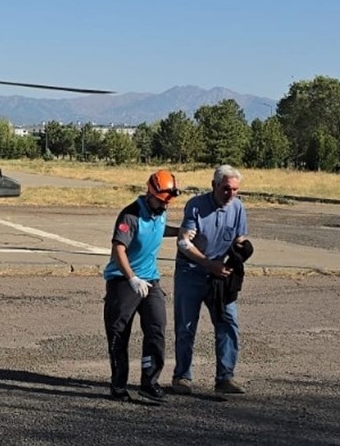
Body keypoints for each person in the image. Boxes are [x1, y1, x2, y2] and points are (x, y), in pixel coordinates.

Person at [172, 165, 251, 396]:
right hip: (191, 272)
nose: (231, 194)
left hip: (219, 276)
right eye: (226, 189)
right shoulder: (196, 205)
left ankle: (225, 377)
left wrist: (242, 250)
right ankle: (182, 377)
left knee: (228, 322)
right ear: (214, 185)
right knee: (186, 326)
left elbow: (239, 239)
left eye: (235, 190)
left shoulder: (237, 207)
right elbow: (183, 243)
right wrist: (208, 263)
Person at [104, 169, 179, 404]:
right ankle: (118, 385)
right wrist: (132, 278)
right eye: (160, 201)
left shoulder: (161, 210)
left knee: (157, 328)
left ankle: (149, 382)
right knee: (119, 333)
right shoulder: (130, 215)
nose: (164, 206)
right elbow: (118, 249)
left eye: (167, 202)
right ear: (150, 193)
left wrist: (181, 232)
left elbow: (160, 227)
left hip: (151, 280)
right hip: (123, 280)